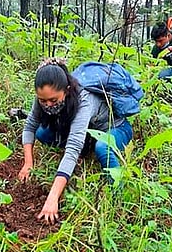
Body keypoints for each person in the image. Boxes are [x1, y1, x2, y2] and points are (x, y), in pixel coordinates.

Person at [18, 58, 133, 224]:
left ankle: (117, 191)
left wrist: (52, 197)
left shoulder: (84, 101)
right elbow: (30, 126)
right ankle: (87, 151)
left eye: (54, 100)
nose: (48, 105)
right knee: (42, 133)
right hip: (88, 132)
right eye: (43, 101)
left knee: (102, 147)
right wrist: (28, 162)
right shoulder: (42, 99)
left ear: (66, 90)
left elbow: (72, 149)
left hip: (116, 129)